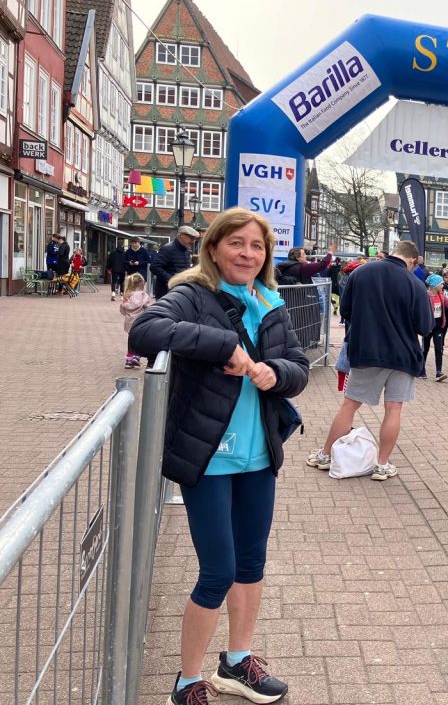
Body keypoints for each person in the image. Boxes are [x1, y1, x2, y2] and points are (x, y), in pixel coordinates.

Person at [128, 208, 309, 705]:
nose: (247, 253)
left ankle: (237, 662)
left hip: (258, 456)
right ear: (213, 248)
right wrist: (222, 344)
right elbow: (144, 332)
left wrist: (276, 372)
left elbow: (298, 367)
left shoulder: (269, 300)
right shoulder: (191, 295)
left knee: (252, 562)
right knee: (218, 570)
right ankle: (187, 683)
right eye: (237, 244)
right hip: (208, 457)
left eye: (256, 246)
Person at [308, 240, 432, 479]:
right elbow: (425, 327)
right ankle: (382, 465)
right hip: (403, 356)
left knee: (350, 404)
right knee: (394, 408)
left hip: (367, 350)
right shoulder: (416, 285)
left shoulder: (362, 272)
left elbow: (345, 311)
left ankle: (324, 455)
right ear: (412, 260)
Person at [151, 225, 200, 299]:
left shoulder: (186, 251)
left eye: (194, 239)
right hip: (166, 293)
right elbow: (154, 267)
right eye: (191, 237)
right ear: (181, 235)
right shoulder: (168, 249)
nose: (193, 241)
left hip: (178, 292)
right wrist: (171, 279)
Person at [119, 273, 153, 369]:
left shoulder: (127, 296)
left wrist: (123, 305)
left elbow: (123, 311)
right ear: (142, 284)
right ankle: (136, 356)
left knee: (130, 340)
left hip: (130, 322)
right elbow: (148, 307)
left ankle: (129, 359)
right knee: (139, 340)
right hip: (140, 321)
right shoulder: (144, 296)